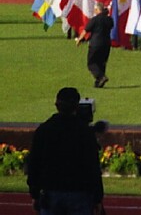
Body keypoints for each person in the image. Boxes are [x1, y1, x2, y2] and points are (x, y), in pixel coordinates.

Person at [28, 87, 104, 215]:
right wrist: (97, 197)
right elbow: (92, 166)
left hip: (51, 192)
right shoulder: (84, 132)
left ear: (57, 105)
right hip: (79, 193)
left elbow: (34, 163)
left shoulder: (44, 130)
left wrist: (34, 192)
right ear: (76, 106)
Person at [76, 3, 113, 88]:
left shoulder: (95, 20)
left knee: (91, 63)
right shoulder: (109, 20)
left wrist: (79, 39)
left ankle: (101, 77)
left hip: (95, 44)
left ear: (97, 10)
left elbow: (86, 30)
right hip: (106, 44)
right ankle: (98, 83)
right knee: (102, 63)